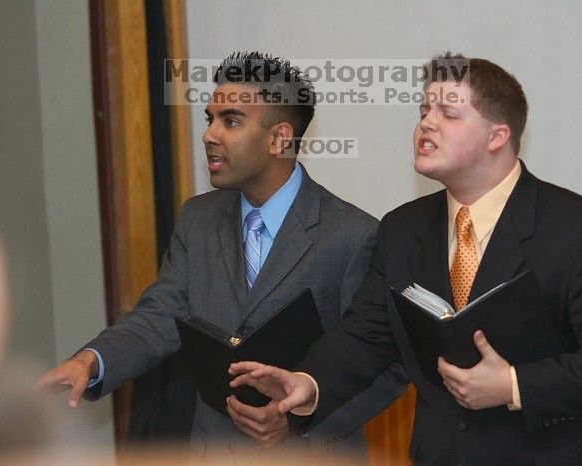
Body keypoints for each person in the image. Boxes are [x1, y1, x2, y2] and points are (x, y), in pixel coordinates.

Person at [229, 53, 582, 465]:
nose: (426, 124)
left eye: (448, 114)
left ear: (498, 135)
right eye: (423, 111)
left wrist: (513, 385)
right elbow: (366, 334)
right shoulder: (401, 228)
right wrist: (307, 381)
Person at [37, 52, 407, 462]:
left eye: (230, 122)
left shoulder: (354, 234)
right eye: (209, 119)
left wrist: (297, 418)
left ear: (279, 137)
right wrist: (90, 361)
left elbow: (386, 365)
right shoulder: (197, 217)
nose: (209, 134)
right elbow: (161, 315)